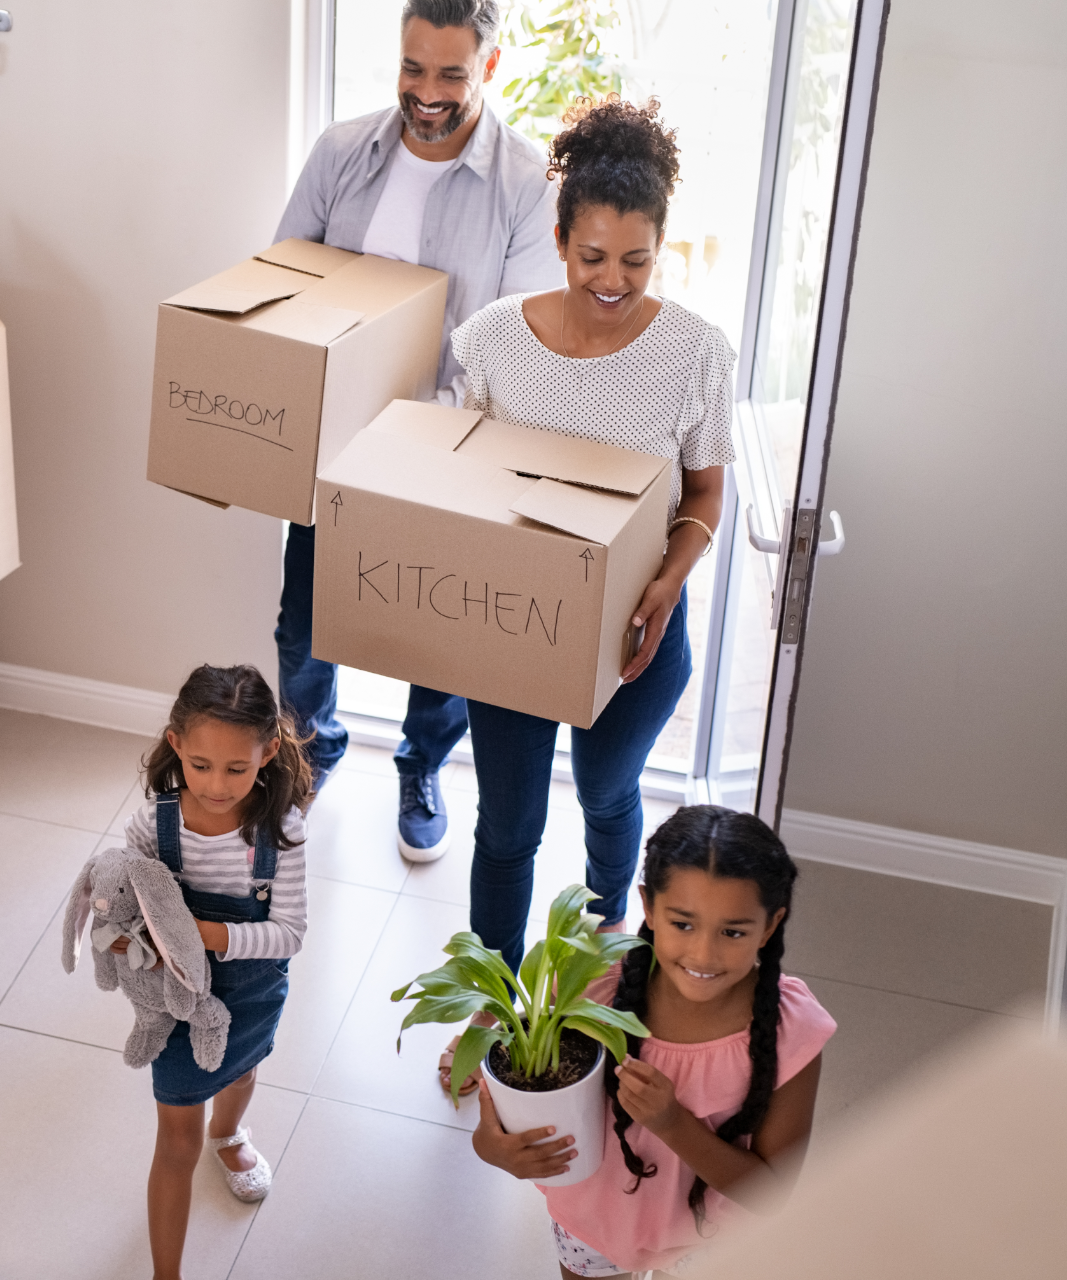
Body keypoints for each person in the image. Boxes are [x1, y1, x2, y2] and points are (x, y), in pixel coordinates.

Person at [448, 94, 733, 980]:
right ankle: (489, 1000)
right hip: (515, 627)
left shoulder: (696, 353)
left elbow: (706, 493)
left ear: (661, 250)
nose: (613, 281)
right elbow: (463, 480)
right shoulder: (493, 340)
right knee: (508, 827)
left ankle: (611, 931)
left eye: (637, 261)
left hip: (639, 630)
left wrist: (668, 582)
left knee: (610, 791)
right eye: (593, 258)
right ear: (561, 239)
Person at [274, 0, 562, 863]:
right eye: (413, 69)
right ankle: (308, 752)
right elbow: (286, 275)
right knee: (304, 620)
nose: (426, 94)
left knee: (436, 636)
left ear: (492, 66)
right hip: (335, 444)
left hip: (449, 454)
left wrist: (422, 418)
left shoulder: (526, 183)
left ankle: (420, 765)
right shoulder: (341, 153)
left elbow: (515, 347)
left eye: (450, 74)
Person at [473, 805, 836, 1278]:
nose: (703, 953)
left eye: (733, 931)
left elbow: (772, 1193)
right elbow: (506, 1104)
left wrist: (673, 1124)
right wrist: (492, 1147)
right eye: (682, 923)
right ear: (647, 906)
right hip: (591, 1224)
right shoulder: (590, 988)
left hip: (709, 1243)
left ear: (769, 926)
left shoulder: (793, 1032)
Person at [116, 664, 312, 1280]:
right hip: (176, 1001)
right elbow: (126, 901)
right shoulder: (154, 823)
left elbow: (290, 934)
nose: (217, 785)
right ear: (176, 745)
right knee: (176, 1140)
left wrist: (206, 936)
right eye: (200, 766)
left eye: (237, 768)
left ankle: (228, 1135)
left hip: (252, 991)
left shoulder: (281, 832)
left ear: (269, 751)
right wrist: (125, 940)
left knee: (242, 1072)